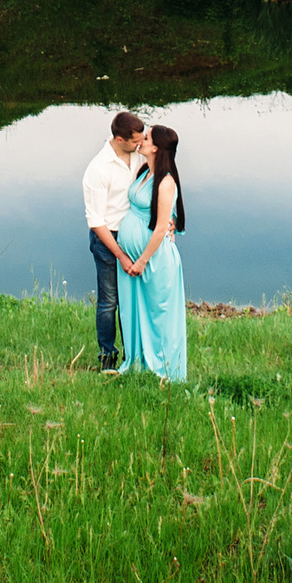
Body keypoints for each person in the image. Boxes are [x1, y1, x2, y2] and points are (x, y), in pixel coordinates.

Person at [117, 124, 187, 381]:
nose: (141, 140)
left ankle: (164, 369)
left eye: (145, 138)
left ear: (155, 147)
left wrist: (142, 261)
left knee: (159, 315)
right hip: (132, 259)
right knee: (134, 311)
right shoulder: (145, 171)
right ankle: (137, 362)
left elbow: (160, 228)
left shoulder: (166, 182)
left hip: (152, 261)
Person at [81, 111, 145, 373]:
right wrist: (120, 254)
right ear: (120, 139)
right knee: (109, 302)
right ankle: (107, 357)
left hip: (134, 235)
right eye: (135, 141)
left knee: (133, 300)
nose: (140, 144)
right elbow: (96, 222)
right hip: (108, 239)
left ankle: (134, 355)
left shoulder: (139, 154)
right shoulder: (98, 169)